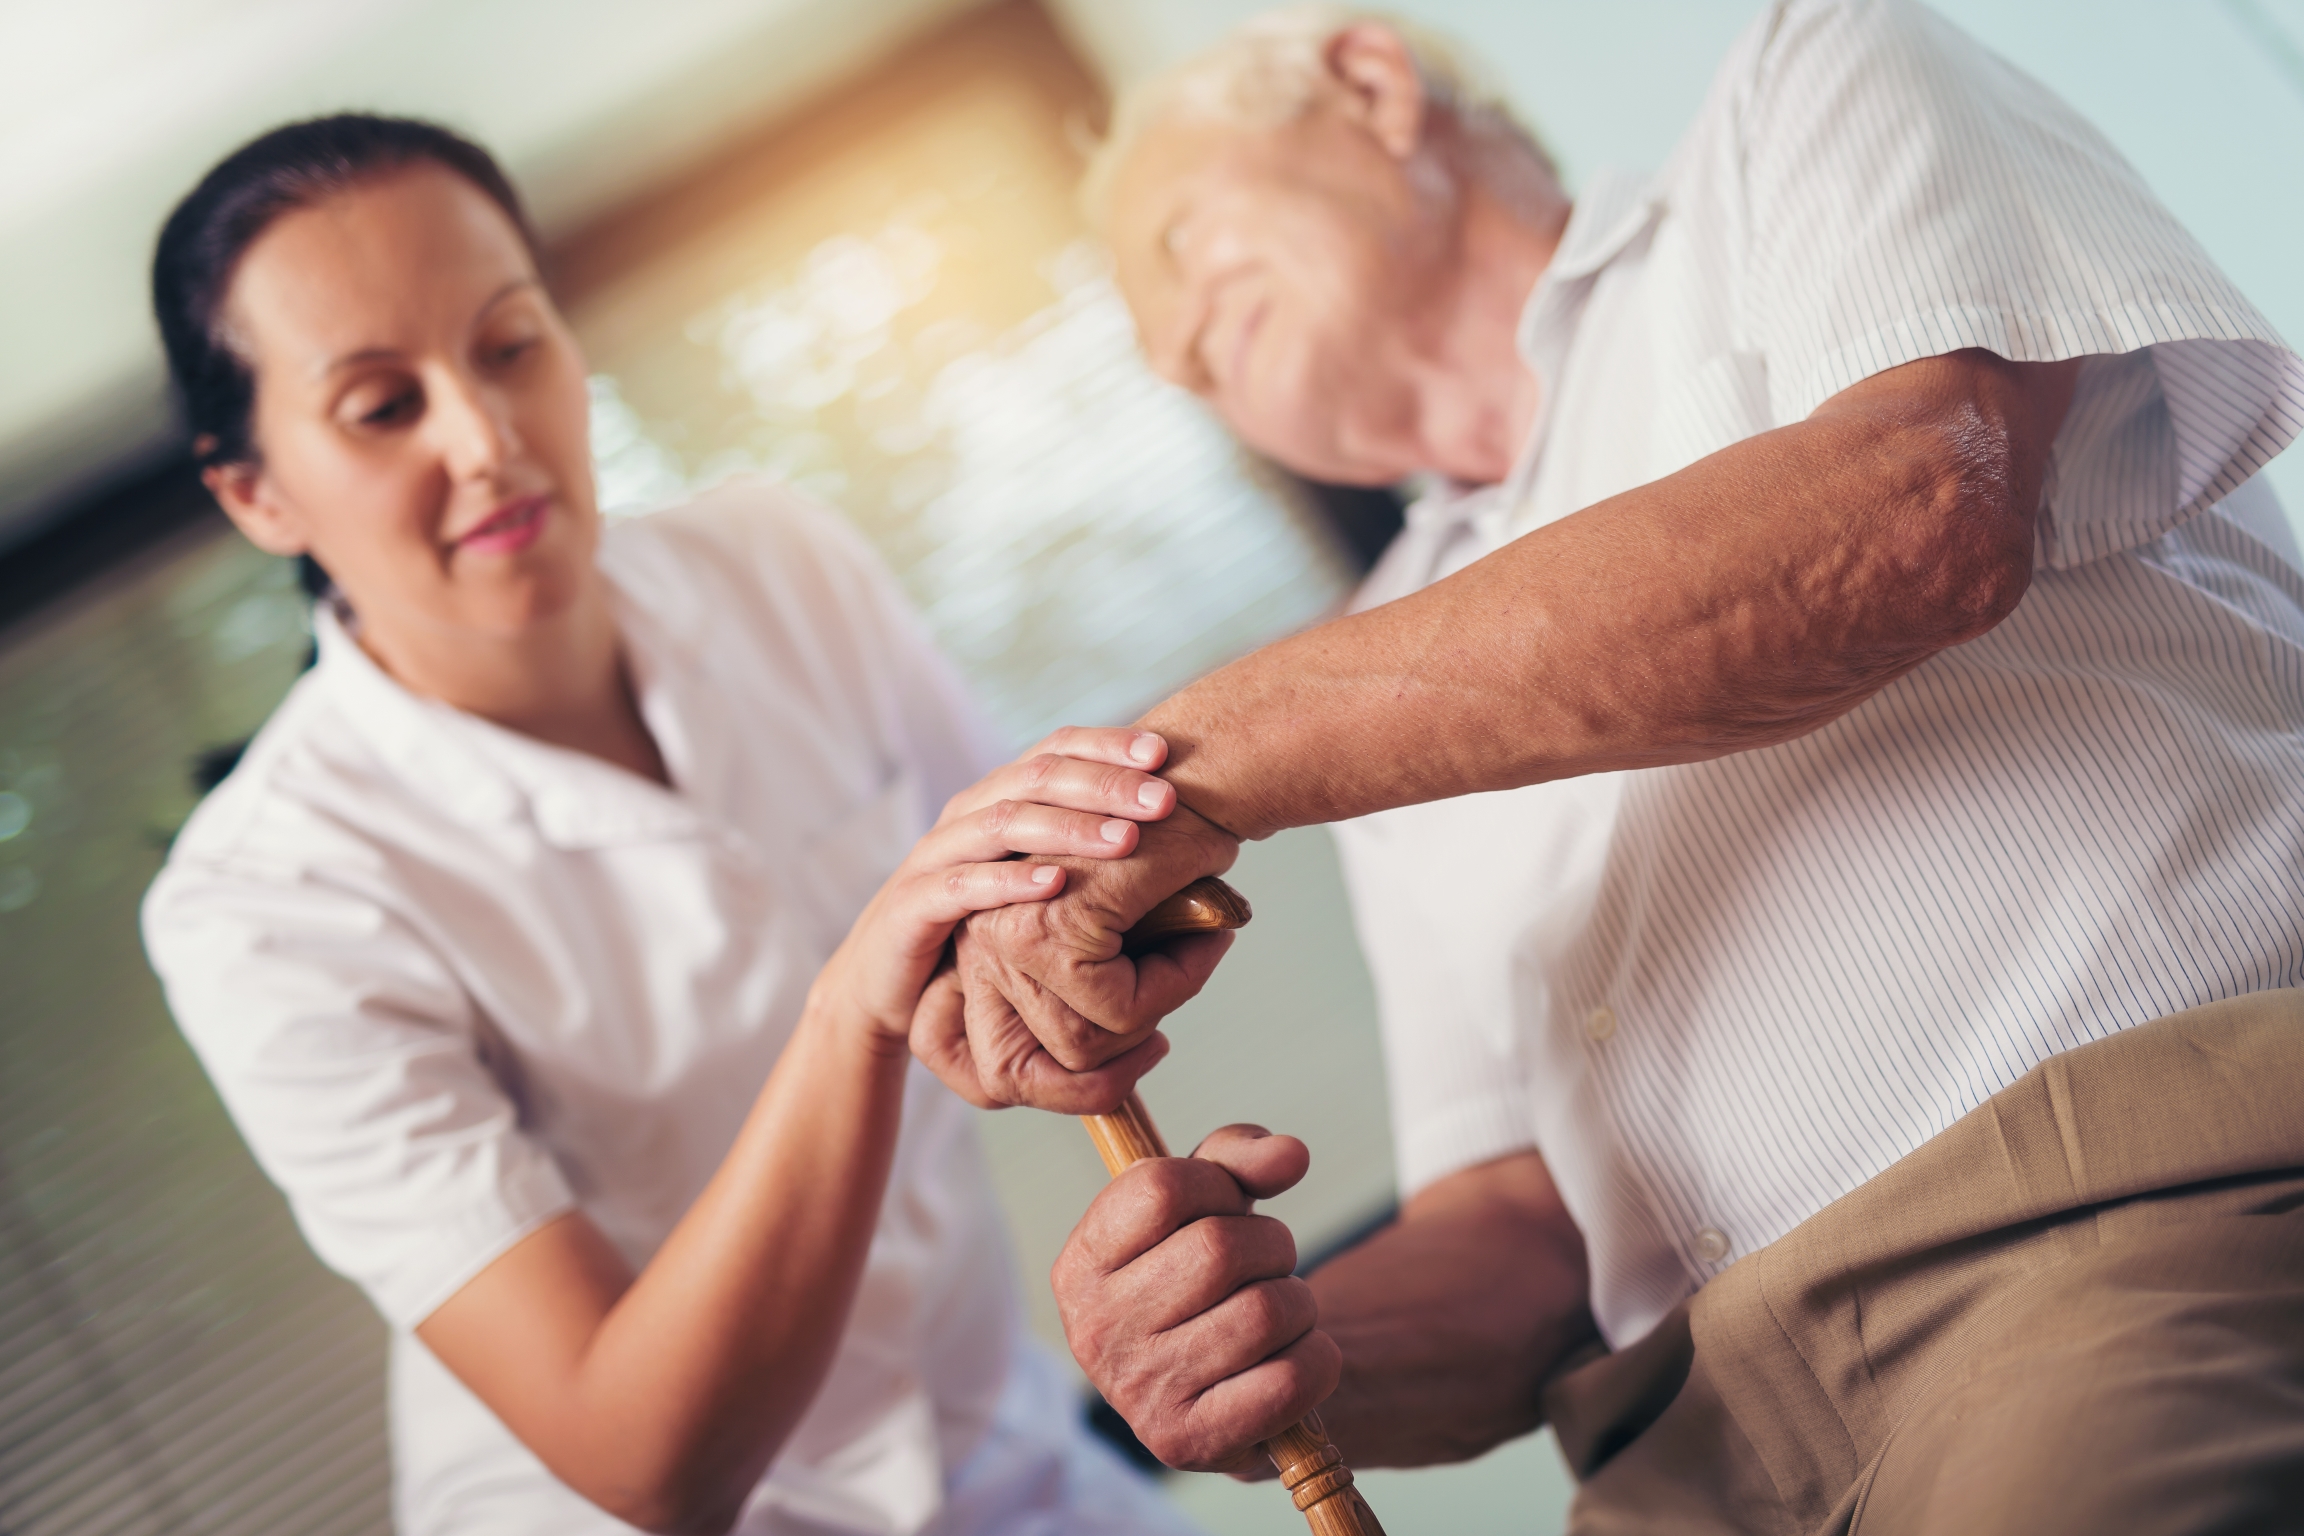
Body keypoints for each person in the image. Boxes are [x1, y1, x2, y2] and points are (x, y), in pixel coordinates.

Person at [915, 3, 2304, 1528]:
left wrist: (1192, 766)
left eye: (1181, 244)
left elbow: (1919, 506)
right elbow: (1525, 1231)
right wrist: (1285, 1351)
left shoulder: (1804, 90)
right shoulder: (1355, 674)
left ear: (1370, 86)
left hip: (2116, 1227)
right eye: (1167, 365)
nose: (1180, 353)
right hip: (1679, 1457)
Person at [139, 115, 1209, 1536]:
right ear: (256, 492)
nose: (486, 439)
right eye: (384, 406)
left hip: (1004, 1461)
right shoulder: (260, 905)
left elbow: (1041, 923)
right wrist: (854, 1005)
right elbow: (647, 1462)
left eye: (509, 345)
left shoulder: (776, 559)